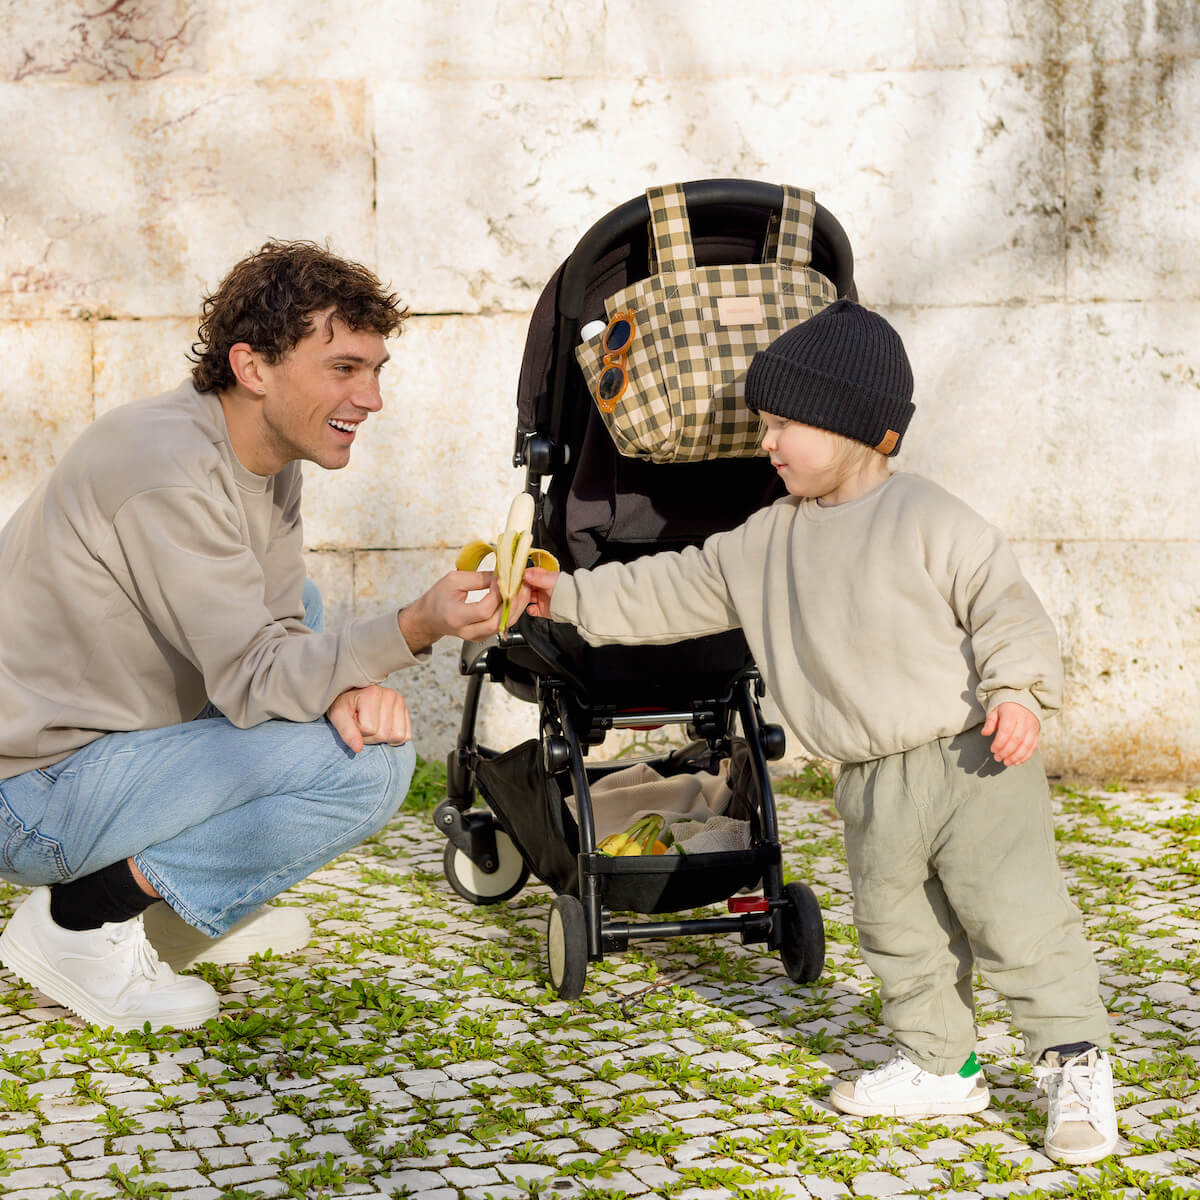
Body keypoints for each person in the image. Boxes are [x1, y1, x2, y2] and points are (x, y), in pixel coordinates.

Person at [522, 299, 1118, 1166]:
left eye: (783, 423)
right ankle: (939, 1062)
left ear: (859, 429)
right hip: (870, 778)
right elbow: (672, 589)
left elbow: (1006, 608)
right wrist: (566, 598)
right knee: (895, 925)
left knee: (1015, 919)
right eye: (765, 422)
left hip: (973, 757)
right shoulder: (766, 539)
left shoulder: (929, 518)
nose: (767, 442)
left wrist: (1020, 693)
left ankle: (1073, 1062)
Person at [0, 240, 507, 1033]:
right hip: (31, 794)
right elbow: (255, 675)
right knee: (369, 768)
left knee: (302, 612)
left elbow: (276, 627)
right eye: (343, 368)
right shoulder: (162, 464)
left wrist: (344, 683)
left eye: (376, 369)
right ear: (253, 366)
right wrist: (414, 627)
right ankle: (79, 922)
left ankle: (174, 912)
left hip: (108, 748)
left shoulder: (264, 457)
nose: (371, 397)